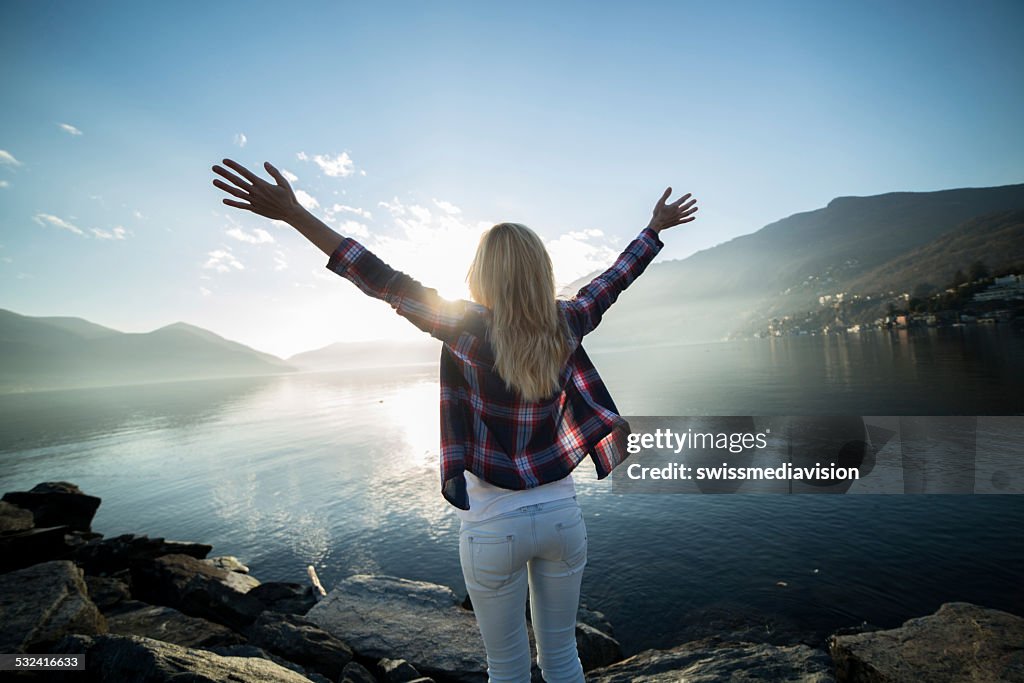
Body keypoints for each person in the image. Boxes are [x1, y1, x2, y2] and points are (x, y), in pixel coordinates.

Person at [212, 158, 697, 682]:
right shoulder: (569, 320)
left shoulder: (464, 326)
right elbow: (616, 278)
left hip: (492, 527)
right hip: (562, 518)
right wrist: (653, 230)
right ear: (542, 271)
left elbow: (377, 277)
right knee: (563, 658)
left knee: (506, 667)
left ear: (481, 273)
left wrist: (295, 215)